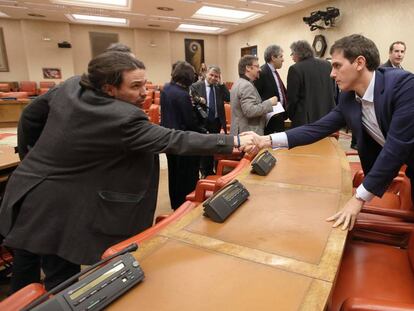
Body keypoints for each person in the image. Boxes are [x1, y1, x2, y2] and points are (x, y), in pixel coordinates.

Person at [0, 51, 257, 293]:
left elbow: (30, 118)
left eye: (144, 84)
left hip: (25, 190)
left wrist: (33, 157)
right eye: (135, 87)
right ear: (108, 88)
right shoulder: (123, 117)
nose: (145, 92)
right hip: (57, 212)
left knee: (25, 270)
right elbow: (174, 139)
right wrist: (233, 141)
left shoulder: (71, 86)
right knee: (60, 282)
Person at [251, 34, 414, 231]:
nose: (331, 74)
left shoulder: (404, 85)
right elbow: (316, 128)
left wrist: (358, 199)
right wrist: (265, 140)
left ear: (359, 63)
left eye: (337, 66)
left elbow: (395, 148)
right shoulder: (348, 96)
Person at [161, 61, 206, 210]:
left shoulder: (166, 88)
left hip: (169, 139)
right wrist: (203, 131)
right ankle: (186, 206)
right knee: (187, 177)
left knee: (174, 175)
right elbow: (189, 122)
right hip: (184, 142)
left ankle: (176, 204)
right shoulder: (182, 95)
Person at [190, 65, 230, 177]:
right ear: (206, 74)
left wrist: (221, 84)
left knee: (214, 147)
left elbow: (229, 98)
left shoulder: (219, 87)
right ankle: (204, 172)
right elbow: (192, 102)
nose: (213, 78)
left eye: (216, 76)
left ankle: (213, 171)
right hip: (202, 122)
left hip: (216, 121)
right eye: (211, 75)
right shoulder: (196, 86)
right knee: (204, 147)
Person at [287, 40, 336, 128]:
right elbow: (333, 91)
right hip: (328, 117)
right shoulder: (327, 65)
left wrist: (290, 115)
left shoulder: (295, 69)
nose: (292, 57)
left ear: (297, 53)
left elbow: (292, 98)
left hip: (305, 121)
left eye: (292, 54)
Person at [230, 55, 277, 135]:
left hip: (241, 131)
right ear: (248, 68)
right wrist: (269, 103)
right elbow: (249, 111)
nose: (260, 69)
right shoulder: (246, 85)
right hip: (248, 133)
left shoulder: (238, 82)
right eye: (257, 66)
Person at [254, 44, 287, 134]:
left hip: (279, 118)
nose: (283, 59)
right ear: (273, 57)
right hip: (269, 121)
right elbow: (256, 97)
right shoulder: (262, 72)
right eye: (281, 56)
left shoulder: (275, 72)